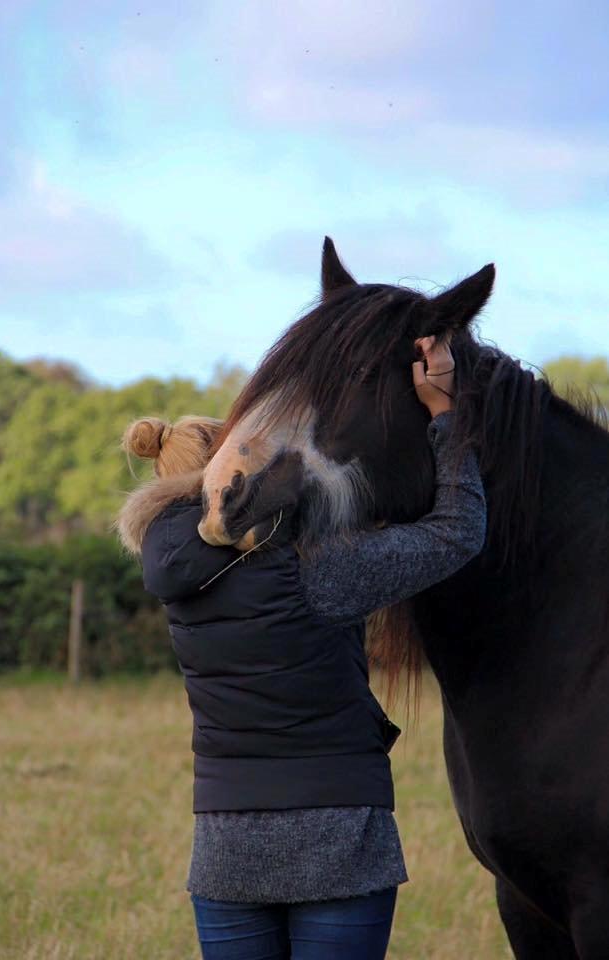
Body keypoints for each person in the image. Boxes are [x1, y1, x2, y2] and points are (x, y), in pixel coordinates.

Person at [117, 336, 486, 960]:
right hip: (340, 836)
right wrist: (444, 415)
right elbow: (457, 532)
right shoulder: (317, 566)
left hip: (226, 841)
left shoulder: (176, 580)